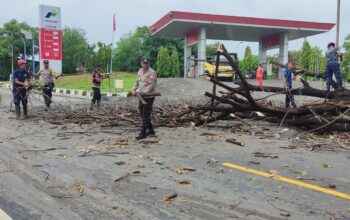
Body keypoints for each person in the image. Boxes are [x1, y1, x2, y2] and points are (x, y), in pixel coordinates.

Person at [131, 58, 157, 140]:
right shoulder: (140, 71)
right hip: (141, 96)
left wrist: (144, 93)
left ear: (149, 64)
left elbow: (151, 85)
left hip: (148, 97)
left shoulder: (152, 72)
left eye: (147, 63)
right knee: (141, 111)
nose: (145, 64)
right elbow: (137, 82)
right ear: (141, 64)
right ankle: (151, 131)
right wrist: (133, 89)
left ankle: (143, 133)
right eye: (144, 63)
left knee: (145, 114)